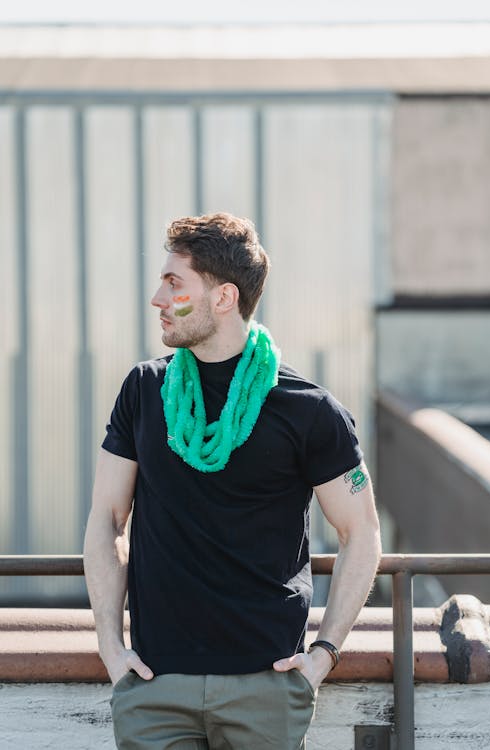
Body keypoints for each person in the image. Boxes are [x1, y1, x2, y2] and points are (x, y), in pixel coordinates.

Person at [83, 212, 381, 750]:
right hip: (155, 684)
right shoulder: (144, 391)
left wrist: (323, 655)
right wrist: (109, 645)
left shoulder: (310, 410)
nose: (156, 297)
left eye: (174, 283)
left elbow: (362, 531)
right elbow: (107, 520)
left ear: (223, 297)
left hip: (265, 687)